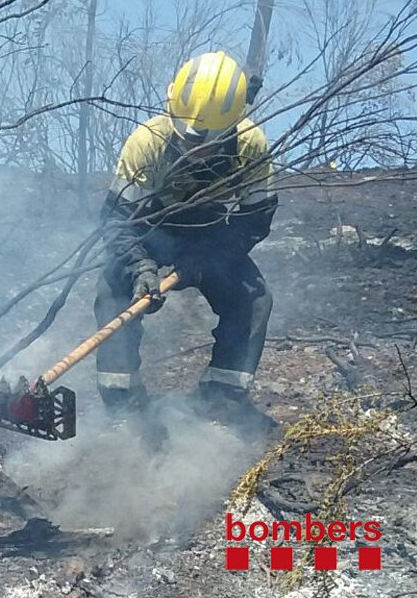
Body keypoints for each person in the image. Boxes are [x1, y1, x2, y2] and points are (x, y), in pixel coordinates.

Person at [94, 50, 279, 437]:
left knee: (253, 297)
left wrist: (209, 260)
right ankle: (124, 408)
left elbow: (254, 220)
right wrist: (140, 268)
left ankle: (221, 404)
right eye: (187, 135)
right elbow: (116, 220)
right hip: (149, 227)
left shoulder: (251, 147)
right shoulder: (147, 142)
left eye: (206, 140)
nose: (193, 147)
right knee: (113, 290)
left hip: (211, 233)